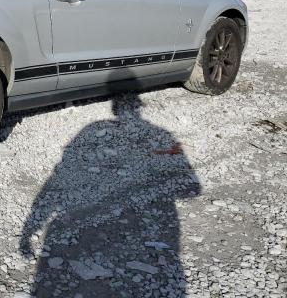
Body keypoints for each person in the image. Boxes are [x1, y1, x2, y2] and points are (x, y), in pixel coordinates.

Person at [20, 85, 201, 297]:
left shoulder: (92, 130)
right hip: (134, 232)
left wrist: (29, 229)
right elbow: (193, 188)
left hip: (81, 223)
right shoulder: (160, 134)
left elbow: (58, 175)